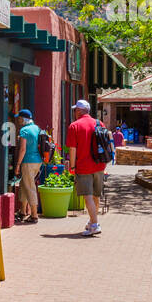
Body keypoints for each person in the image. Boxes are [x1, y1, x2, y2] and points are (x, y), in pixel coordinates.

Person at [66, 99, 107, 236]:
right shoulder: (98, 123)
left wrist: (72, 166)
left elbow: (72, 149)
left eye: (75, 110)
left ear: (78, 111)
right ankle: (92, 222)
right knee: (96, 195)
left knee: (87, 196)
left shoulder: (74, 126)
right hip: (99, 165)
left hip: (84, 166)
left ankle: (95, 224)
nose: (74, 112)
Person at [14, 109, 42, 223]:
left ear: (24, 119)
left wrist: (18, 164)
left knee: (29, 186)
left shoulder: (24, 131)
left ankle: (34, 215)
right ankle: (22, 211)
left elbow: (23, 149)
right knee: (24, 184)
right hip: (37, 161)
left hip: (28, 162)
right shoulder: (36, 128)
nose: (18, 120)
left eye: (19, 118)